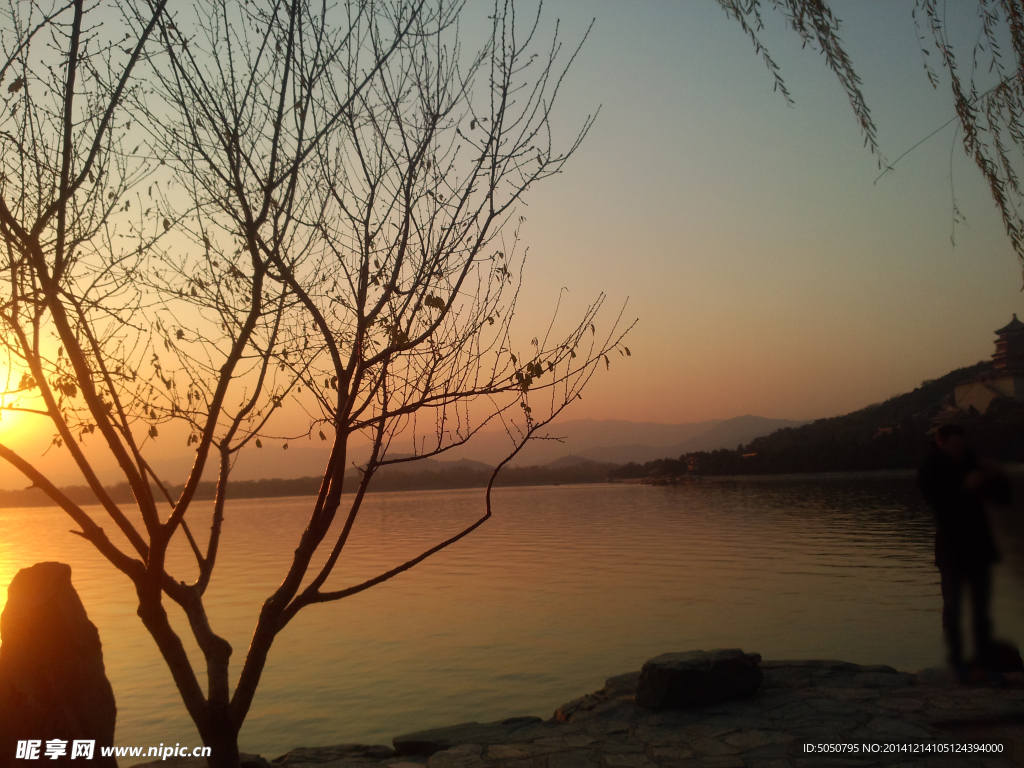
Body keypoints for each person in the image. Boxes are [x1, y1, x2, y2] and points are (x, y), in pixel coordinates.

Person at [917, 423, 1011, 684]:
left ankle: (984, 665)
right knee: (954, 607)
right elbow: (940, 505)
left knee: (982, 610)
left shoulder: (973, 464)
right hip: (952, 548)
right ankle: (956, 665)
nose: (960, 449)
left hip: (980, 547)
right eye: (955, 444)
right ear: (941, 442)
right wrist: (967, 488)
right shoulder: (930, 469)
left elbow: (1002, 498)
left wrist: (994, 478)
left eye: (963, 444)